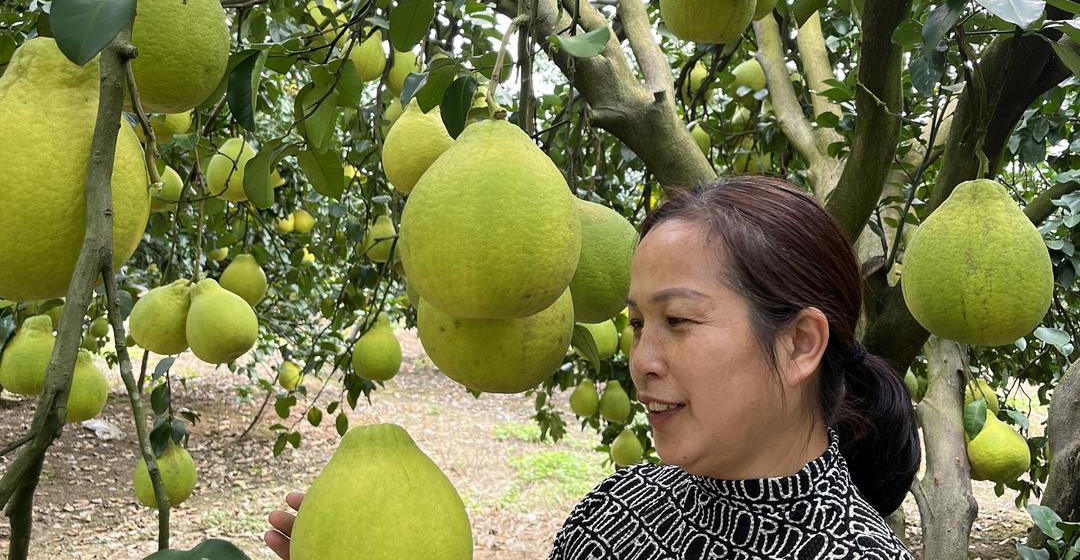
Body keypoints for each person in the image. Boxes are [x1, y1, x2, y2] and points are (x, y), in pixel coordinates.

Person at [265, 176, 920, 559]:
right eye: (637, 325)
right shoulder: (619, 506)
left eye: (679, 322)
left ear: (800, 344)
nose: (642, 361)